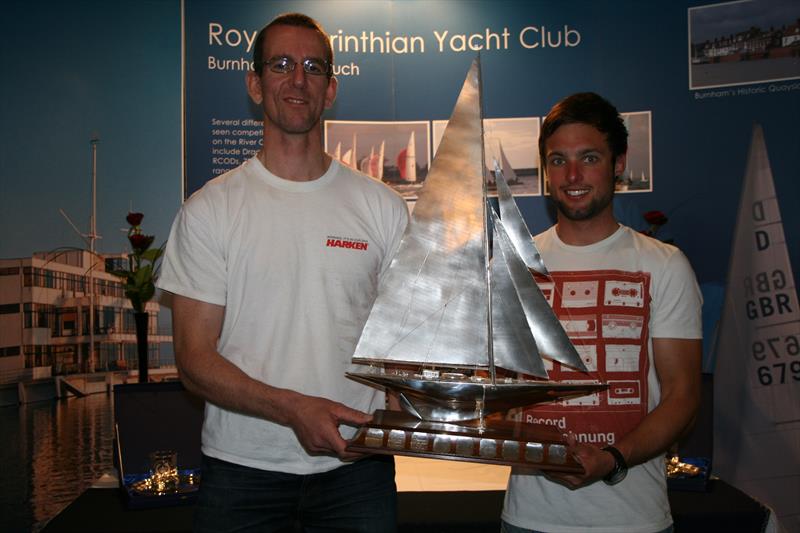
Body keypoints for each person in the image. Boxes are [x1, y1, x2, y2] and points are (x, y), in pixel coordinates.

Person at [157, 13, 408, 532]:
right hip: (241, 474)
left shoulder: (383, 208)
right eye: (282, 65)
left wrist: (410, 397)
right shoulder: (210, 210)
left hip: (357, 471)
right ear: (255, 84)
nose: (298, 79)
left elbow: (410, 339)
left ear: (331, 89)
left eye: (313, 66)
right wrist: (294, 408)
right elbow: (194, 360)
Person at [501, 93, 702, 533]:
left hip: (634, 520)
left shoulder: (664, 265)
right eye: (558, 160)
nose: (572, 176)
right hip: (530, 520)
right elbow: (498, 390)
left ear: (617, 163)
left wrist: (612, 459)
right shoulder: (514, 263)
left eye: (589, 157)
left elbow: (683, 397)